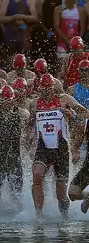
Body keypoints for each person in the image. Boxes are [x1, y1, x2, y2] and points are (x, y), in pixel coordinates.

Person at [30, 74, 89, 217]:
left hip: (61, 149)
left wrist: (71, 115)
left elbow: (85, 114)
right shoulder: (34, 104)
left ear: (54, 88)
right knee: (37, 175)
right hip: (43, 148)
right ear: (39, 89)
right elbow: (29, 125)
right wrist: (29, 141)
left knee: (61, 194)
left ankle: (65, 217)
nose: (47, 93)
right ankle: (38, 216)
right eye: (44, 90)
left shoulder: (64, 99)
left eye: (49, 89)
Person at [0, 84, 30, 212]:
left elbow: (27, 135)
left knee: (16, 190)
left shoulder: (23, 113)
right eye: (3, 101)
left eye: (8, 101)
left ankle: (18, 214)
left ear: (13, 100)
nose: (5, 104)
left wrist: (26, 148)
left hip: (14, 156)